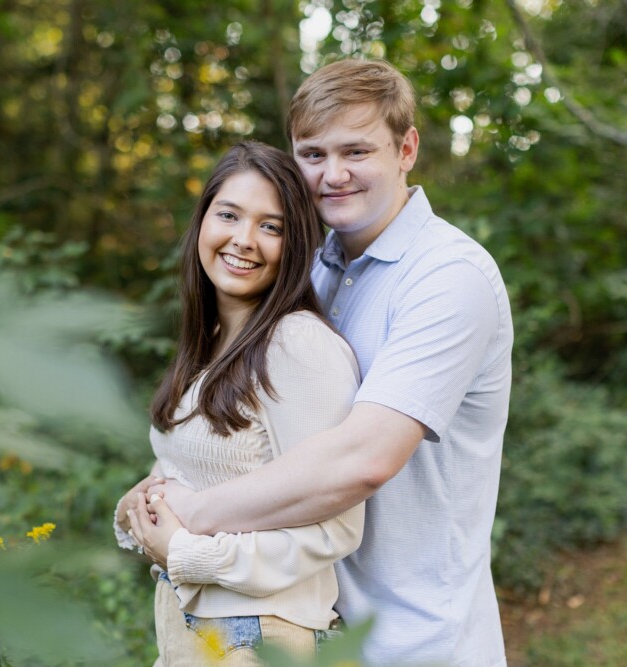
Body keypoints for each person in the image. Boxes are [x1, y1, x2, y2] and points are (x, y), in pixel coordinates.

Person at [131, 59, 514, 667]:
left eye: (356, 151)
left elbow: (364, 460)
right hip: (305, 623)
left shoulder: (448, 278)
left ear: (406, 147)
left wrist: (191, 519)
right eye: (312, 154)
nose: (333, 175)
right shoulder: (307, 268)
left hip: (415, 638)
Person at [114, 140, 365, 666]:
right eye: (229, 214)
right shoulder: (209, 340)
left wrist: (189, 553)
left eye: (271, 227)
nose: (244, 240)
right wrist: (143, 505)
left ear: (296, 245)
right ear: (203, 219)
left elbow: (338, 526)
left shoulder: (298, 344)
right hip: (189, 628)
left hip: (260, 635)